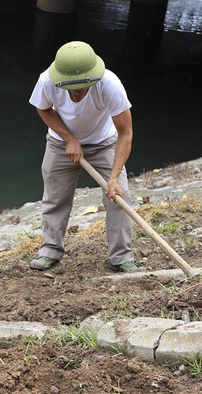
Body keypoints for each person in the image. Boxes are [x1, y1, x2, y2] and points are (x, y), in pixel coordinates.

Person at [28, 41, 144, 274]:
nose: (78, 92)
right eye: (73, 88)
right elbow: (43, 109)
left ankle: (121, 257)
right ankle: (51, 249)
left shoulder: (109, 84)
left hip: (104, 143)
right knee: (55, 197)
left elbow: (126, 132)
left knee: (119, 196)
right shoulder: (47, 81)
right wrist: (69, 138)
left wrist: (113, 177)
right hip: (61, 143)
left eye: (83, 87)